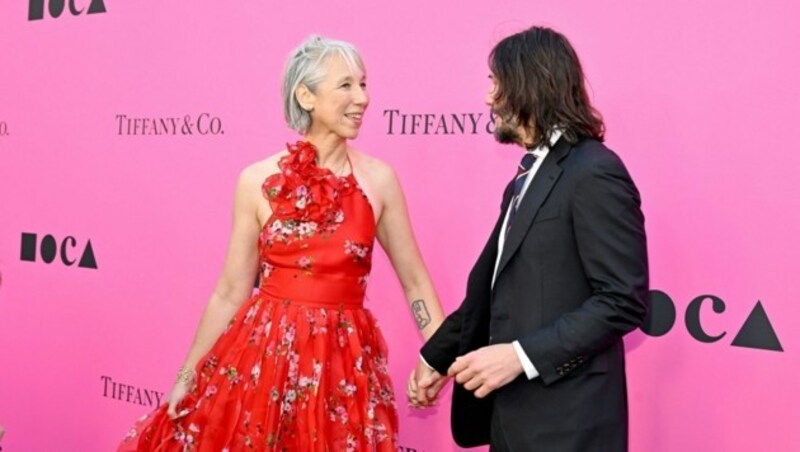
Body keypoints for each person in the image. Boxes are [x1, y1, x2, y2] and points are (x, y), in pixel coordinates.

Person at [118, 35, 444, 451]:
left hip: (342, 366)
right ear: (305, 96)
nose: (362, 98)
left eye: (364, 84)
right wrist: (187, 377)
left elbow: (415, 280)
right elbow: (230, 292)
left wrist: (439, 356)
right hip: (264, 362)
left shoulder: (379, 181)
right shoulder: (256, 180)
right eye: (346, 85)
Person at [409, 26, 649, 451]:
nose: (488, 99)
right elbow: (493, 292)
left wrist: (519, 357)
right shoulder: (527, 178)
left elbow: (622, 300)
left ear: (529, 84)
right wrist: (436, 357)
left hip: (568, 425)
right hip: (512, 419)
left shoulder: (594, 171)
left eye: (496, 83)